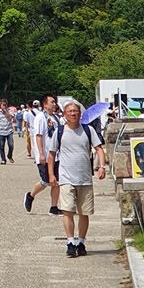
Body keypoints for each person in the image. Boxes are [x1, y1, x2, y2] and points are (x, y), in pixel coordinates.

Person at [47, 100, 106, 257]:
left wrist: (102, 166)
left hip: (85, 178)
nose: (73, 114)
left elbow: (99, 149)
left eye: (76, 111)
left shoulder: (88, 130)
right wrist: (51, 174)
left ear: (80, 114)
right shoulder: (59, 132)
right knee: (67, 211)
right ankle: (70, 242)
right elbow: (51, 155)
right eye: (70, 111)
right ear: (65, 115)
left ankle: (81, 241)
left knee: (84, 213)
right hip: (66, 178)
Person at [23, 93, 61, 215]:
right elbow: (38, 136)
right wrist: (40, 153)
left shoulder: (55, 118)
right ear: (45, 104)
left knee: (56, 181)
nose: (54, 104)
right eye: (52, 102)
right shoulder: (40, 117)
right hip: (44, 153)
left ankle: (54, 207)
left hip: (56, 154)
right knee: (46, 181)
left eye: (54, 102)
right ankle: (30, 195)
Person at [0, 99, 15, 164]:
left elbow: (10, 118)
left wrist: (5, 112)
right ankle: (3, 159)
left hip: (9, 130)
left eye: (5, 105)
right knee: (1, 146)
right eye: (3, 105)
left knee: (11, 145)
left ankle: (9, 155)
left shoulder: (10, 111)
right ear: (0, 105)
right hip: (1, 131)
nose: (4, 106)